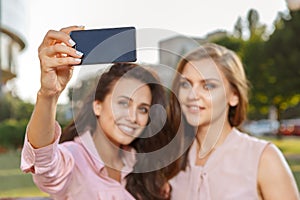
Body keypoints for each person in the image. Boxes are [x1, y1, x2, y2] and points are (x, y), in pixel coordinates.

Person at [20, 26, 177, 200]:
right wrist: (49, 94)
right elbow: (45, 163)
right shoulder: (73, 159)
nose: (133, 117)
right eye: (123, 102)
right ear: (98, 106)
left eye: (143, 109)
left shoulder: (143, 168)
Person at [168, 43, 299, 199]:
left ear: (234, 96)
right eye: (185, 84)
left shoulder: (264, 158)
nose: (192, 95)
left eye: (208, 85)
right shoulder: (170, 160)